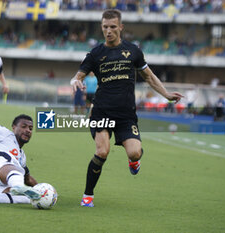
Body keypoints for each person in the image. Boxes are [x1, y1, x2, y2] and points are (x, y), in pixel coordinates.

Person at [70, 9, 183, 207]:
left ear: (121, 27)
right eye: (105, 27)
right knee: (102, 151)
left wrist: (166, 94)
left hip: (126, 114)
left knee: (134, 153)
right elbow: (79, 74)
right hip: (101, 111)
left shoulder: (133, 51)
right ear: (101, 27)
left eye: (113, 27)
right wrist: (75, 80)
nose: (109, 31)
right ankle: (88, 195)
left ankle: (134, 160)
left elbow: (148, 76)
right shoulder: (95, 53)